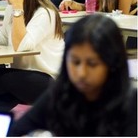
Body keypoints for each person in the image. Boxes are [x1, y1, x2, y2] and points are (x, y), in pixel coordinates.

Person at [9, 14, 137, 136]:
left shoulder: (131, 103)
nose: (82, 73)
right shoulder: (61, 93)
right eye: (75, 62)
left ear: (112, 62)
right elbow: (17, 130)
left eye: (92, 64)